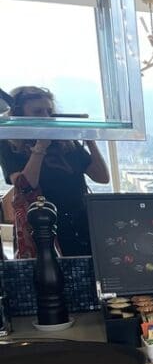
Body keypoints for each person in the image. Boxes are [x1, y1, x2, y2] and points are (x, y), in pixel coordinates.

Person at [0, 86, 110, 257]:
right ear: (19, 114)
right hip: (42, 229)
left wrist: (91, 142)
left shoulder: (65, 142)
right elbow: (26, 185)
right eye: (38, 112)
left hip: (80, 224)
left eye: (49, 111)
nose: (46, 117)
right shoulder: (9, 144)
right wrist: (40, 147)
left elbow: (102, 177)